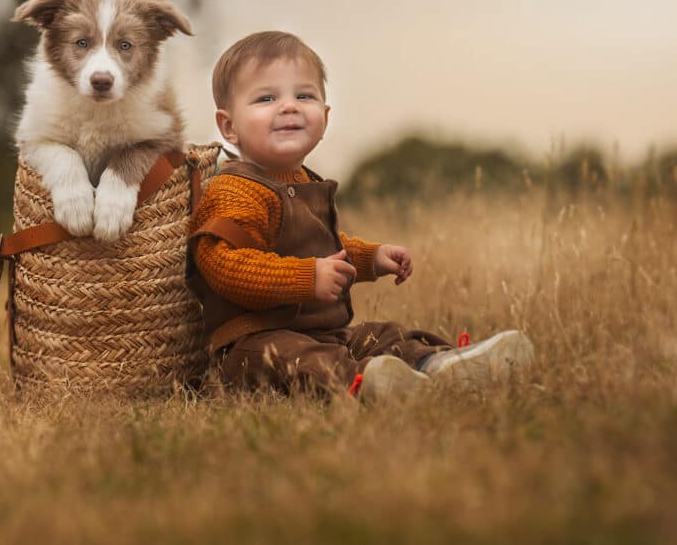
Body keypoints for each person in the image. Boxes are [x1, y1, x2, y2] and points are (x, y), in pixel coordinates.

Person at [186, 31, 533, 400]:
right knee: (298, 359)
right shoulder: (234, 190)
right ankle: (370, 385)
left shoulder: (304, 181)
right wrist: (306, 278)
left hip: (324, 335)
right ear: (228, 127)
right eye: (266, 98)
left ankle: (439, 366)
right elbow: (223, 265)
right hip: (253, 342)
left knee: (382, 335)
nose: (288, 106)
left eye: (304, 96)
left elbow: (329, 248)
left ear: (325, 116)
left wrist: (371, 258)